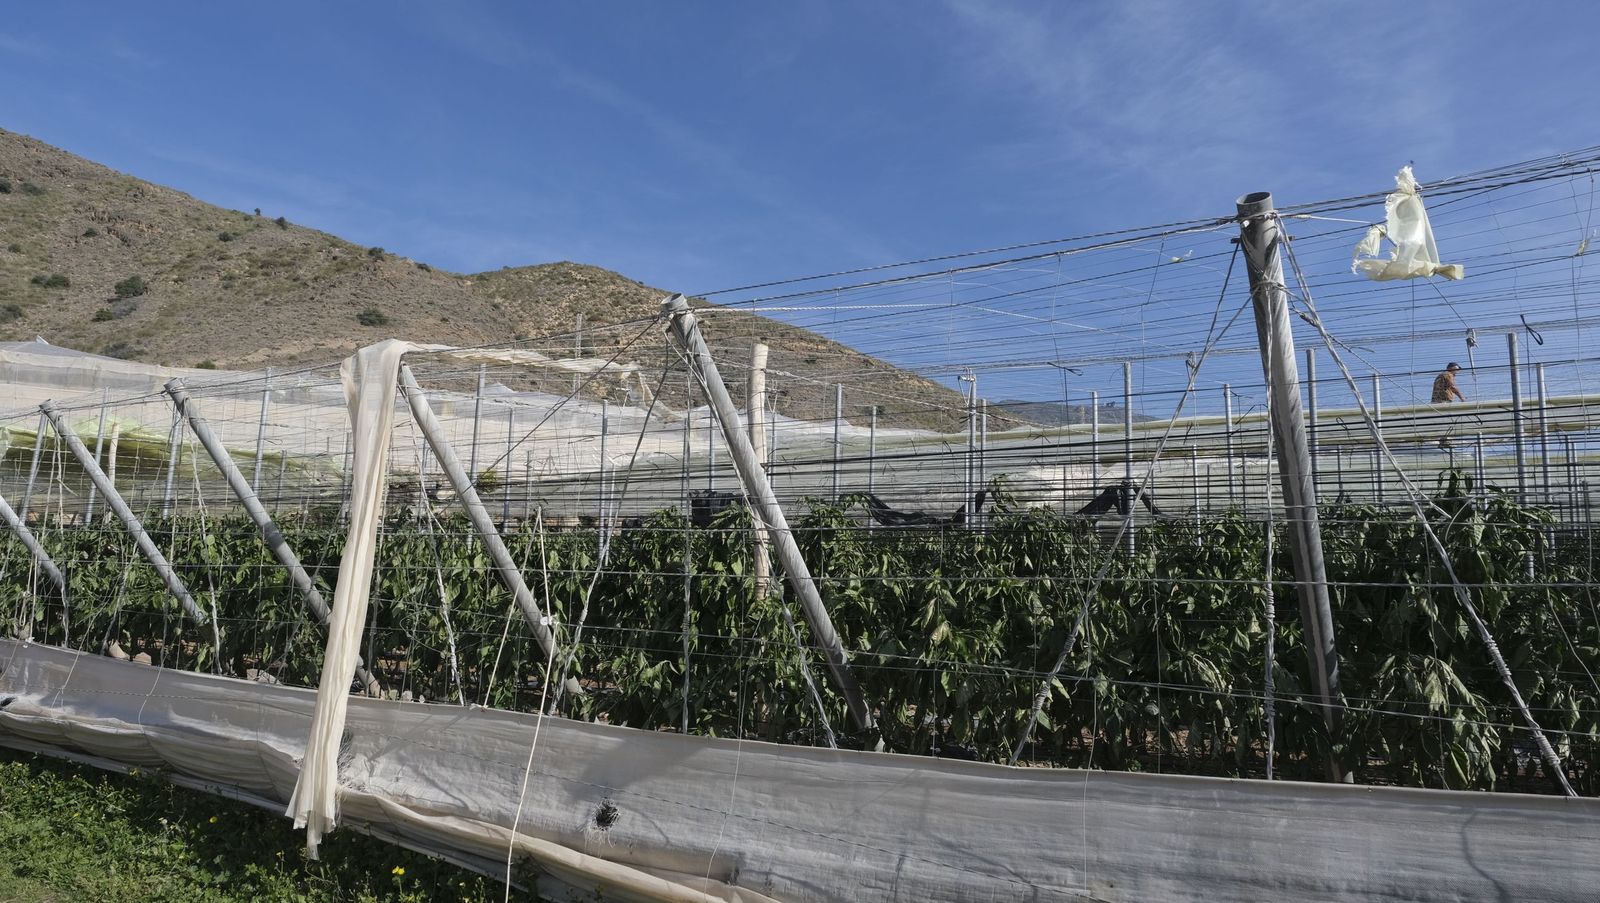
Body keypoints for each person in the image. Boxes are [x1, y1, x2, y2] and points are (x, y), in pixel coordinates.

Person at [1432, 362, 1465, 448]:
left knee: (1444, 422)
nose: (1457, 372)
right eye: (1456, 370)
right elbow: (1452, 387)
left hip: (1436, 401)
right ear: (1452, 368)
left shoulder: (1441, 375)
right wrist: (1462, 398)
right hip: (1444, 401)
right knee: (1449, 421)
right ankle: (1445, 441)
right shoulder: (1448, 374)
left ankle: (1443, 440)